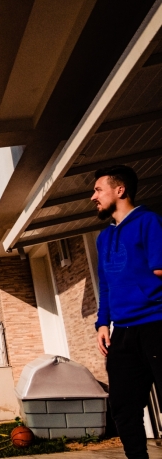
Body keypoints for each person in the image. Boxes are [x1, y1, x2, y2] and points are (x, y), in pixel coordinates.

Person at [92, 164, 162, 459]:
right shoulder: (103, 238)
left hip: (156, 325)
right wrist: (102, 323)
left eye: (98, 190)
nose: (93, 197)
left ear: (119, 190)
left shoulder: (150, 222)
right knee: (122, 405)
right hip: (122, 334)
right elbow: (105, 284)